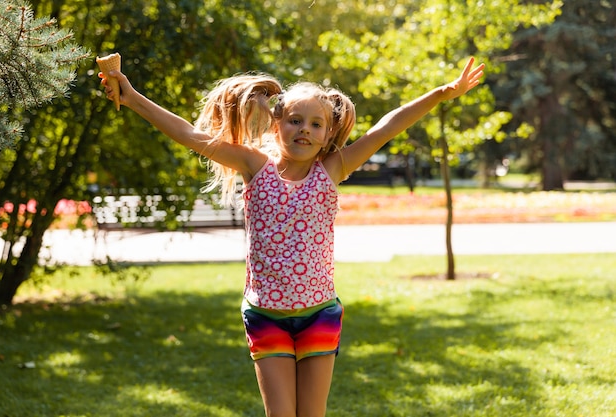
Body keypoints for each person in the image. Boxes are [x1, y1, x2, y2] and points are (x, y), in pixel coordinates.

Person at [99, 57, 484, 417]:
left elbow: (388, 126)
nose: (305, 129)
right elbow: (189, 134)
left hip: (319, 315)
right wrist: (131, 97)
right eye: (295, 120)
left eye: (316, 124)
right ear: (275, 123)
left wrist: (441, 92)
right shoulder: (254, 166)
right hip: (266, 316)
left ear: (328, 132)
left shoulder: (333, 168)